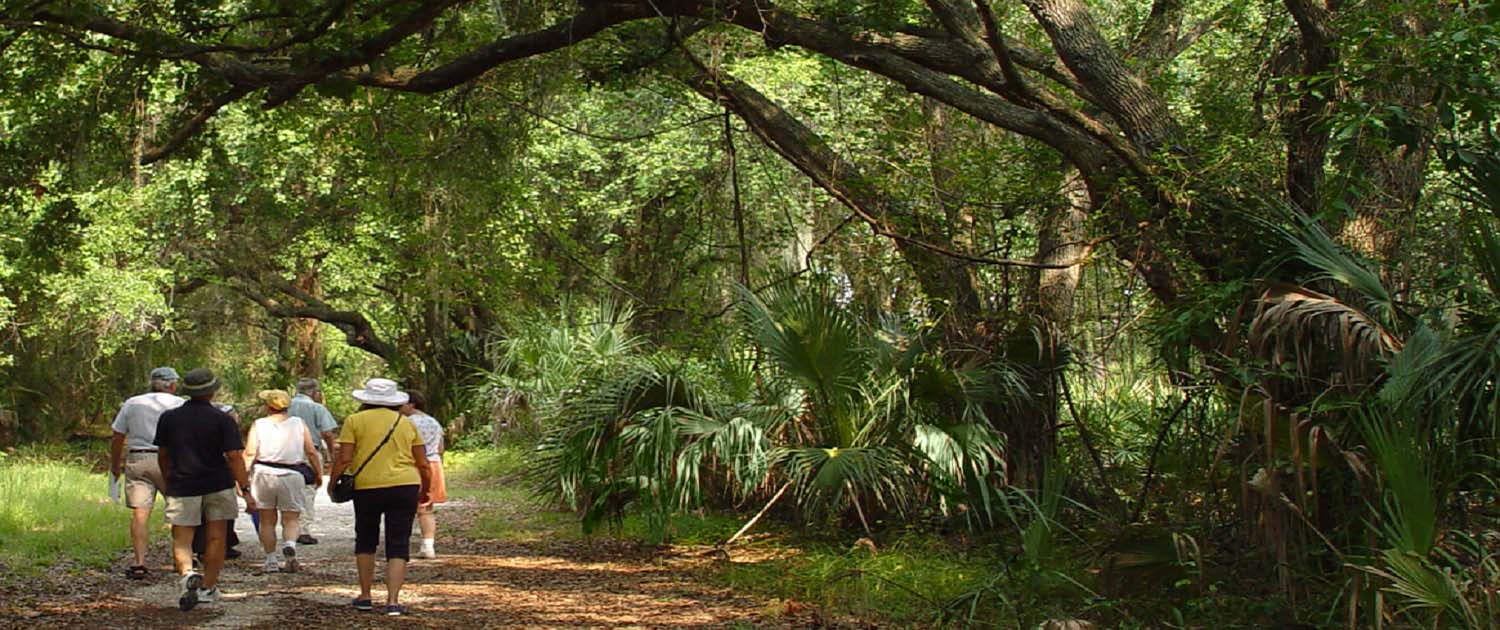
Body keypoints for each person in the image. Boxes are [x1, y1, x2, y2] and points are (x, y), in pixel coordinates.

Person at [154, 368, 256, 612]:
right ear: (212, 391)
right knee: (216, 537)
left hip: (183, 483)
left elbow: (163, 455)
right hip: (217, 483)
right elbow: (234, 456)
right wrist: (245, 488)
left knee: (182, 537)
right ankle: (208, 587)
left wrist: (169, 480)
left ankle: (187, 574)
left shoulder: (169, 418)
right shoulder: (222, 419)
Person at [327, 378, 430, 617]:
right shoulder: (406, 423)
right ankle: (393, 601)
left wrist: (333, 484)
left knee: (365, 539)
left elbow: (344, 459)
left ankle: (365, 596)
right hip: (404, 485)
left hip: (367, 487)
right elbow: (423, 463)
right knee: (398, 542)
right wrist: (426, 489)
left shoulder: (354, 421)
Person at [109, 366, 184, 580]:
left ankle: (139, 562)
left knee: (141, 513)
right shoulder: (179, 404)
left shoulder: (132, 403)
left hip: (138, 458)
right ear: (172, 385)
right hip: (169, 459)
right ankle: (182, 558)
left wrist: (116, 464)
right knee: (178, 509)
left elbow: (117, 435)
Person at [244, 389, 323, 574]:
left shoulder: (259, 424)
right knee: (291, 518)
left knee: (267, 520)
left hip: (264, 473)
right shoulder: (298, 424)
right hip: (292, 473)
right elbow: (311, 451)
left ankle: (271, 560)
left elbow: (250, 453)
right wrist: (318, 473)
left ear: (268, 406)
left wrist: (243, 478)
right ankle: (290, 544)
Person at [288, 378, 338, 545]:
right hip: (309, 451)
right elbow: (327, 433)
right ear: (315, 392)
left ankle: (289, 527)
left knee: (289, 490)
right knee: (308, 490)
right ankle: (303, 530)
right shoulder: (317, 408)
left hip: (285, 451)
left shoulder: (286, 405)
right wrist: (331, 454)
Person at [402, 390, 446, 559]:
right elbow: (440, 447)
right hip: (433, 463)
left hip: (412, 465)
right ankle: (428, 546)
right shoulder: (434, 422)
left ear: (411, 404)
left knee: (404, 508)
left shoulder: (406, 423)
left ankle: (401, 544)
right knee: (426, 509)